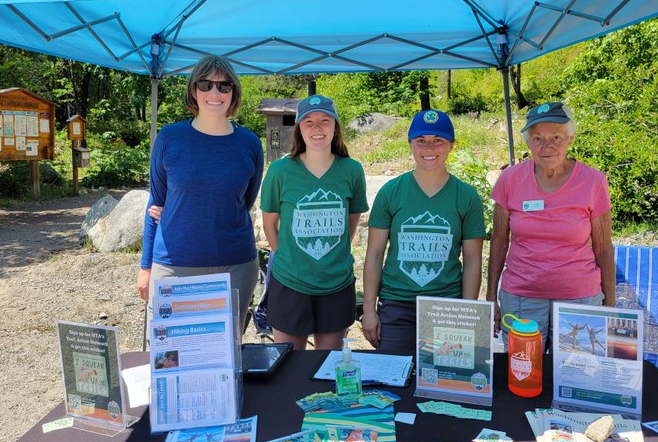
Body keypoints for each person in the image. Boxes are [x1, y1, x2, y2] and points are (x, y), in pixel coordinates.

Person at [136, 55, 264, 339]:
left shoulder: (250, 143)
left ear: (234, 92)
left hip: (235, 265)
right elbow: (155, 203)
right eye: (205, 84)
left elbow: (245, 202)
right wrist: (146, 267)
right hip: (174, 264)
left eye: (224, 86)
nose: (215, 93)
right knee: (171, 355)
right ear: (194, 90)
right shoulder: (169, 138)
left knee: (225, 356)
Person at [486, 101, 615, 349]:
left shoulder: (593, 181)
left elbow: (603, 248)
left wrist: (609, 305)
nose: (547, 146)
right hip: (521, 297)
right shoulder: (510, 179)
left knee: (574, 375)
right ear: (528, 143)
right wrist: (491, 297)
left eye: (556, 137)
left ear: (570, 139)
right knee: (522, 372)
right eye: (537, 138)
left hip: (578, 298)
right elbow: (499, 242)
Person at [362, 109, 486, 353]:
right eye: (421, 141)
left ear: (451, 145)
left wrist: (467, 314)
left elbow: (473, 259)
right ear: (410, 144)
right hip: (397, 304)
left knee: (444, 382)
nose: (429, 148)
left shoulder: (466, 196)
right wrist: (369, 310)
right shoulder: (391, 192)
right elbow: (374, 254)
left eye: (438, 140)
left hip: (446, 305)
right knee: (394, 381)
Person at [260, 94, 368, 350]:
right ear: (299, 128)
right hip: (290, 282)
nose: (317, 128)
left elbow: (350, 224)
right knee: (288, 366)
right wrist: (289, 257)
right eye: (308, 121)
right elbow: (269, 224)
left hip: (336, 283)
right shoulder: (280, 171)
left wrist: (329, 255)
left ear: (335, 126)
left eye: (325, 120)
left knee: (327, 366)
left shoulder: (351, 170)